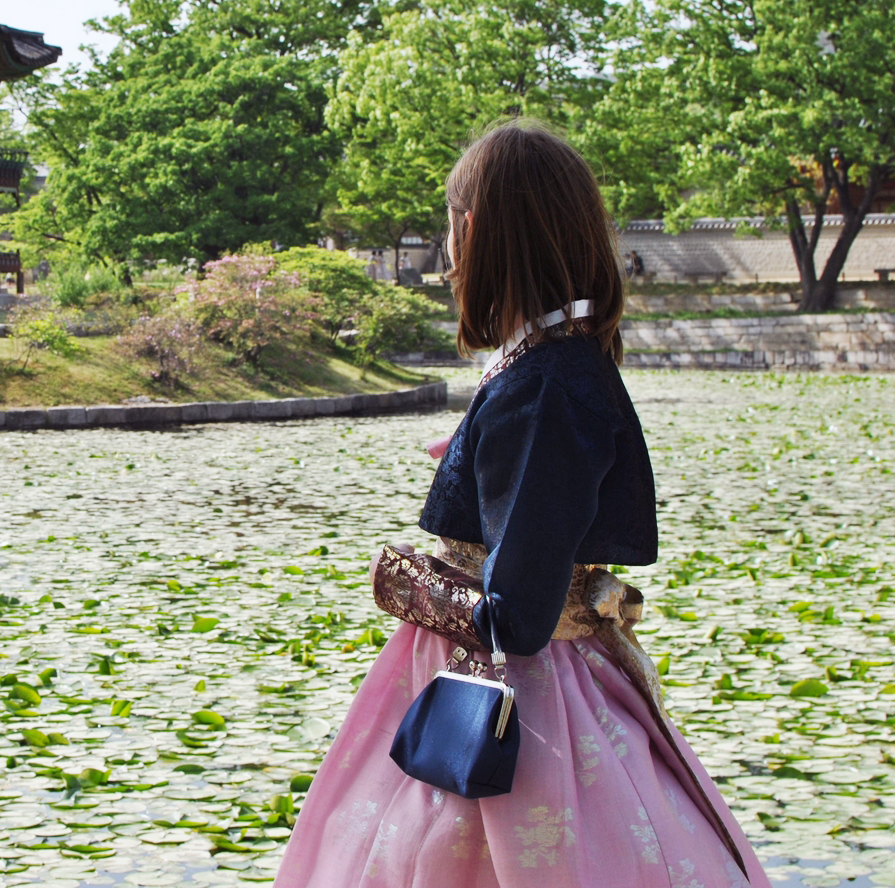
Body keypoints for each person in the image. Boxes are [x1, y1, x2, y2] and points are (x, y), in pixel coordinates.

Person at [273, 121, 769, 888]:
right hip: (531, 685)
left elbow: (521, 615)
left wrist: (410, 586)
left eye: (451, 225)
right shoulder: (548, 368)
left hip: (519, 703)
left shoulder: (546, 386)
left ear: (473, 229)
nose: (448, 251)